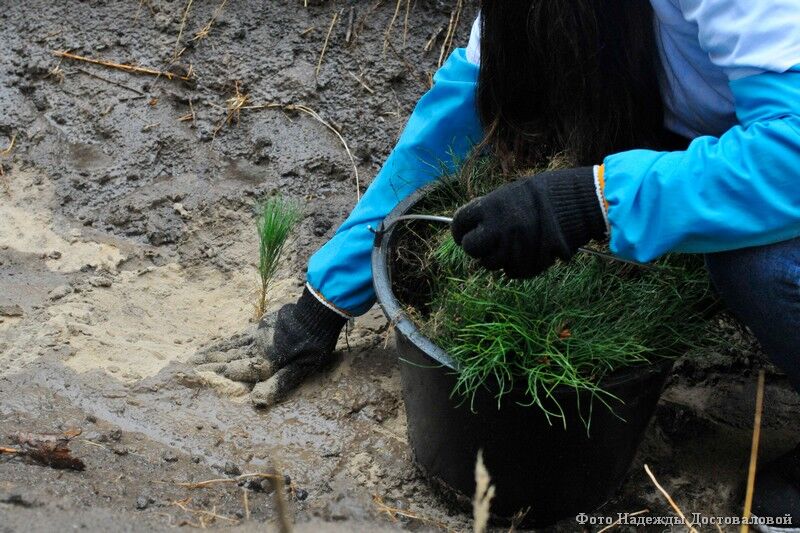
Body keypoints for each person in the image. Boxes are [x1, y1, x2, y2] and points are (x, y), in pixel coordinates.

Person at [193, 0, 800, 526]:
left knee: (760, 268)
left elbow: (791, 150)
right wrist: (323, 304)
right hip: (726, 134)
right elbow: (453, 120)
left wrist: (597, 200)